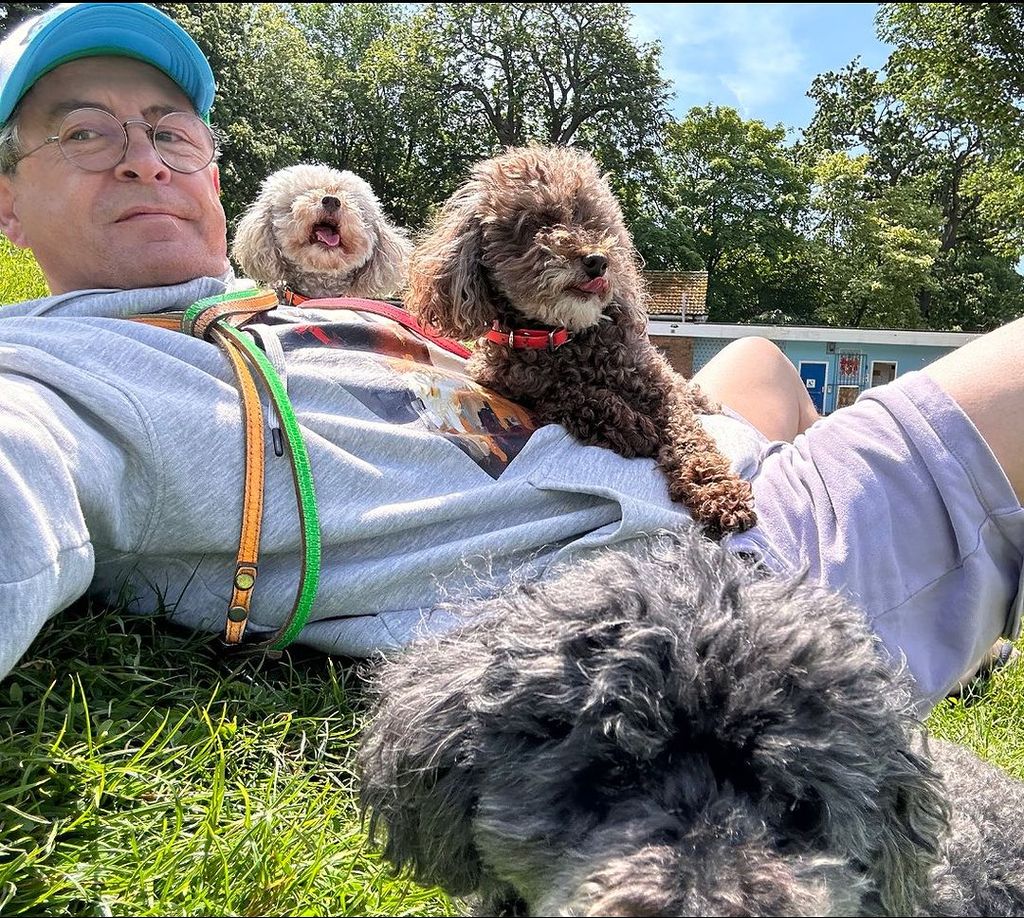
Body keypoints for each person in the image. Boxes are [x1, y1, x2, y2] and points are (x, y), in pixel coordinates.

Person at [0, 2, 1020, 713]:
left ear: (217, 175)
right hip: (723, 574)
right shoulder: (66, 375)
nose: (143, 155)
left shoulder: (274, 310)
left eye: (171, 130)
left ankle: (945, 597)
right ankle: (926, 575)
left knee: (753, 357)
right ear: (7, 203)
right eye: (85, 134)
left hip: (694, 461)